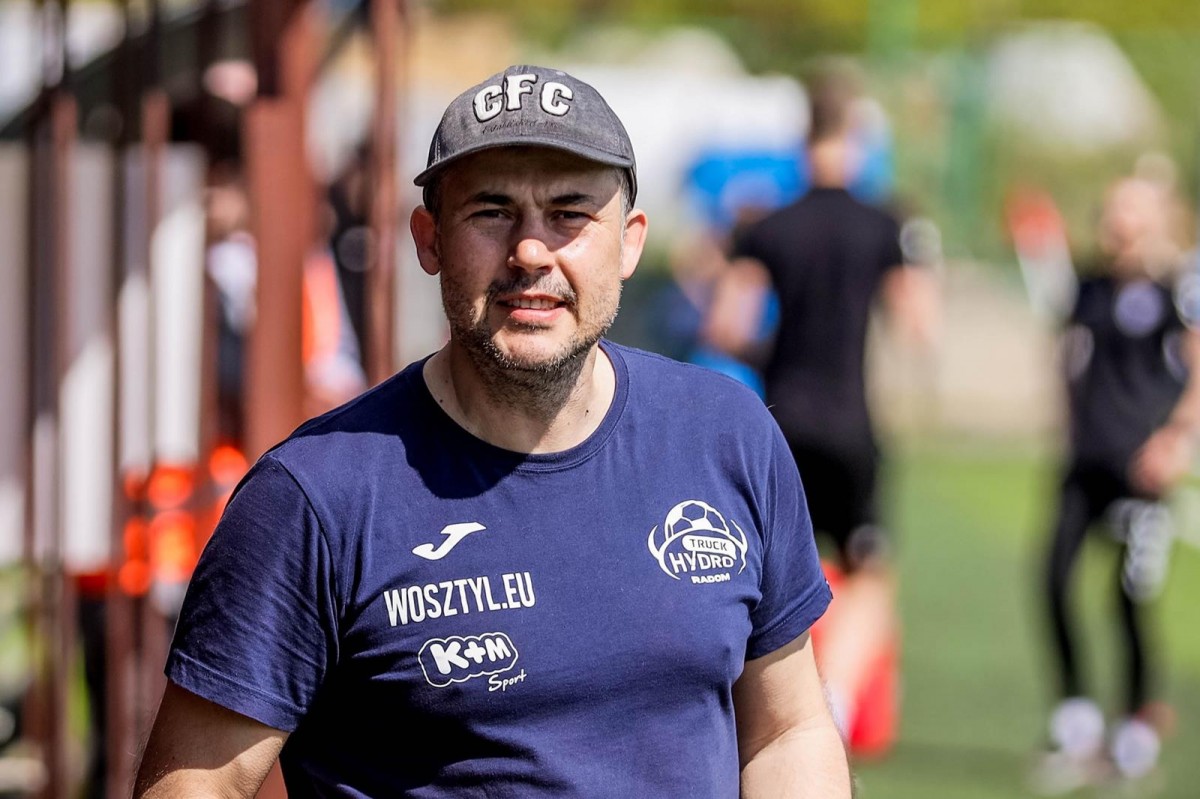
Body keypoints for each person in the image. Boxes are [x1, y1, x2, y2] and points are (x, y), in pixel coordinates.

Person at [132, 64, 850, 797]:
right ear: (430, 239)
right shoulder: (314, 495)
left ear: (630, 242)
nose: (531, 251)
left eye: (569, 213)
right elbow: (192, 787)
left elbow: (788, 730)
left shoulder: (727, 435)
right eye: (491, 211)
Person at [703, 65, 939, 750]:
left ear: (803, 139)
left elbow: (723, 325)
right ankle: (831, 700)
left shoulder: (769, 225)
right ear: (855, 138)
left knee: (766, 575)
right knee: (869, 572)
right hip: (850, 423)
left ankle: (749, 713)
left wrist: (773, 351)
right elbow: (919, 322)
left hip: (777, 425)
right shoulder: (886, 222)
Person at [1031, 173, 1200, 794]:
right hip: (1084, 466)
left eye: (1130, 212)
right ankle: (1076, 722)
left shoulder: (1178, 289)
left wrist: (1176, 441)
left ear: (1154, 220)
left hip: (1142, 475)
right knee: (1053, 579)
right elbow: (1066, 357)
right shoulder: (1089, 286)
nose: (1117, 223)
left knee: (1128, 601)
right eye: (1112, 212)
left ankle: (1135, 730)